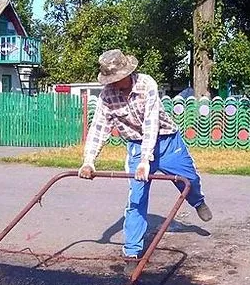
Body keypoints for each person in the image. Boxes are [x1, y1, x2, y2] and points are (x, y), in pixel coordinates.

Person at [78, 49, 212, 260]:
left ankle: (197, 201)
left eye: (116, 79)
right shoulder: (107, 96)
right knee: (136, 199)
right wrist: (88, 162)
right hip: (136, 145)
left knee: (190, 180)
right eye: (110, 80)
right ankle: (132, 252)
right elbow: (99, 127)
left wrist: (145, 161)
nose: (113, 83)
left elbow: (152, 122)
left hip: (166, 142)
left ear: (126, 74)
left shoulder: (146, 84)